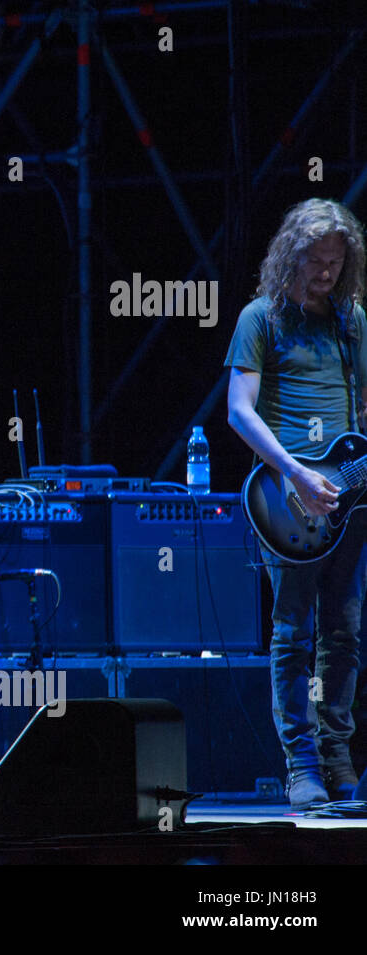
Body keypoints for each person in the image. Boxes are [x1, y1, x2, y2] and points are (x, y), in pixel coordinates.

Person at [225, 198, 367, 808]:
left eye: (336, 261)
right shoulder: (259, 318)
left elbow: (362, 413)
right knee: (293, 633)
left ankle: (339, 760)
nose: (326, 272)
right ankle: (301, 763)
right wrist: (294, 472)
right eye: (315, 260)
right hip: (286, 498)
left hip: (347, 501)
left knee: (347, 632)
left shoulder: (352, 321)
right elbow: (238, 410)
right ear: (291, 256)